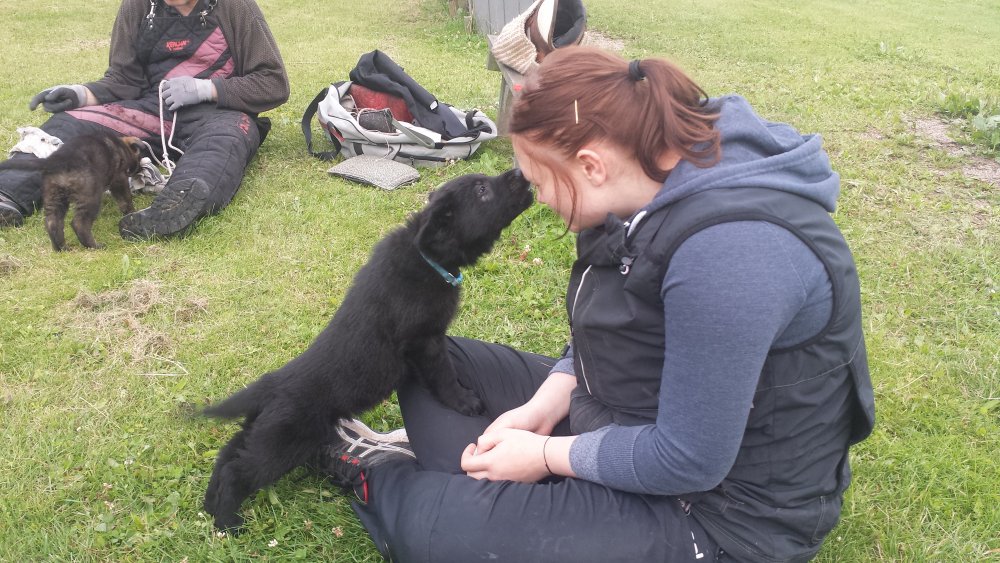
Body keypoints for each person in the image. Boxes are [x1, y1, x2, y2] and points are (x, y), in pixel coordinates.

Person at [319, 46, 875, 562]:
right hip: (621, 408)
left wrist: (543, 456)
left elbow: (690, 458)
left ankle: (391, 474)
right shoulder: (636, 180)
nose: (537, 198)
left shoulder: (732, 255)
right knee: (434, 364)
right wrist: (543, 406)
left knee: (438, 529)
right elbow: (602, 337)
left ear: (590, 165)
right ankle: (492, 485)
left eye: (539, 181)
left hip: (717, 510)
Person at [0, 0, 289, 239]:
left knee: (222, 143)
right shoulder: (137, 6)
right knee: (68, 123)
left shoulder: (236, 6)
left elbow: (273, 82)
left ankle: (168, 212)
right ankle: (7, 192)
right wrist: (79, 94)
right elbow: (124, 80)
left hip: (220, 113)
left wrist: (207, 89)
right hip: (150, 110)